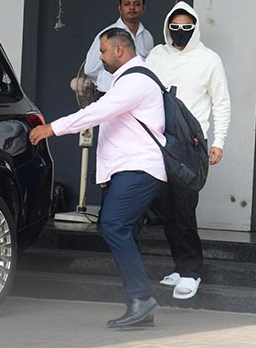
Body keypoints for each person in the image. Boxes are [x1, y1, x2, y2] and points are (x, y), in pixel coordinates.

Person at [29, 27, 166, 328]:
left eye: (103, 51)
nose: (100, 58)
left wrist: (53, 128)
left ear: (120, 50)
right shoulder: (128, 79)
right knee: (121, 228)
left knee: (114, 225)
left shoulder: (136, 81)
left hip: (139, 168)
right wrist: (106, 175)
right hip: (128, 168)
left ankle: (141, 299)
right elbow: (118, 130)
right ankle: (139, 305)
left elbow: (97, 112)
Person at [145, 1, 231, 300]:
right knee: (166, 208)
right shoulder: (157, 54)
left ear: (195, 28)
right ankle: (181, 266)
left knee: (184, 208)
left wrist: (218, 141)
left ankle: (192, 271)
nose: (180, 32)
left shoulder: (209, 59)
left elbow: (221, 102)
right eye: (175, 27)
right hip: (160, 141)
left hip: (191, 145)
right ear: (168, 26)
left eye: (186, 27)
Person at [84, 0, 154, 93]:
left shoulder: (147, 36)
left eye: (137, 4)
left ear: (144, 8)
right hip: (110, 92)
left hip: (137, 94)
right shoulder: (107, 35)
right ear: (120, 8)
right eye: (127, 4)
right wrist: (104, 82)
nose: (132, 8)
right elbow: (90, 69)